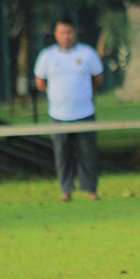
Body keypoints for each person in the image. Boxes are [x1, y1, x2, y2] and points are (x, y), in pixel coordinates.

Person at [34, 17, 104, 202]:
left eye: (69, 32)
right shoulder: (47, 56)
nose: (66, 37)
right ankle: (66, 191)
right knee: (62, 155)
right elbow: (40, 82)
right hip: (58, 115)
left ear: (75, 33)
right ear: (56, 35)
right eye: (62, 33)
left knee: (87, 154)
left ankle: (91, 190)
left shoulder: (87, 54)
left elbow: (98, 80)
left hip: (84, 113)